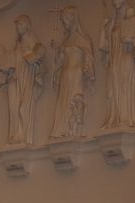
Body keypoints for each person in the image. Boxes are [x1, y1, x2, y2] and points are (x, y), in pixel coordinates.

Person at [0, 14, 44, 146]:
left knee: (23, 107)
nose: (17, 27)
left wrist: (29, 55)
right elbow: (11, 60)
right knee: (13, 107)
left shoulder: (34, 44)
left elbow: (38, 55)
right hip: (14, 79)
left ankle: (22, 136)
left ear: (27, 25)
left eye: (20, 24)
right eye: (17, 24)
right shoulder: (16, 45)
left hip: (26, 78)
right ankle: (13, 136)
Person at [49, 5, 94, 139]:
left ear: (73, 19)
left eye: (65, 20)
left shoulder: (82, 39)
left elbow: (89, 56)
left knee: (73, 102)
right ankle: (60, 130)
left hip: (76, 74)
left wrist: (88, 69)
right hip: (65, 75)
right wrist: (57, 49)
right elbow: (58, 61)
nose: (64, 23)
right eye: (63, 21)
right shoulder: (65, 41)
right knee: (63, 102)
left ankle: (72, 130)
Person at [98, 0, 135, 130]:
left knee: (123, 87)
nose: (114, 1)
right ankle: (113, 118)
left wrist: (131, 41)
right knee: (111, 90)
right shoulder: (113, 21)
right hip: (114, 61)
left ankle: (123, 119)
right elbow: (106, 46)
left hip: (125, 58)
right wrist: (104, 29)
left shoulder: (132, 19)